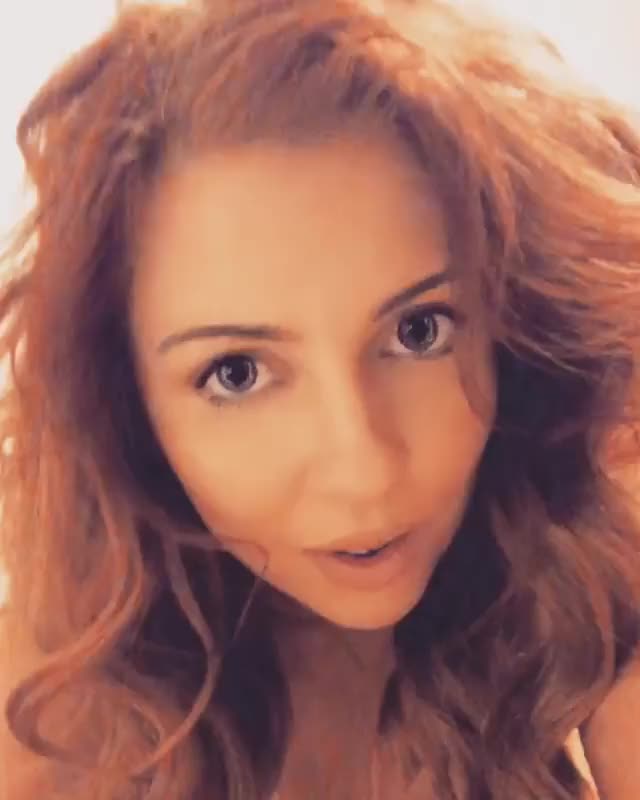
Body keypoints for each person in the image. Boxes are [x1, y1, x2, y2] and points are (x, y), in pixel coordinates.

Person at [1, 0, 639, 797]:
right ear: (125, 404)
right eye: (238, 373)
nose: (365, 470)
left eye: (418, 332)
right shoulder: (45, 715)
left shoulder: (589, 584)